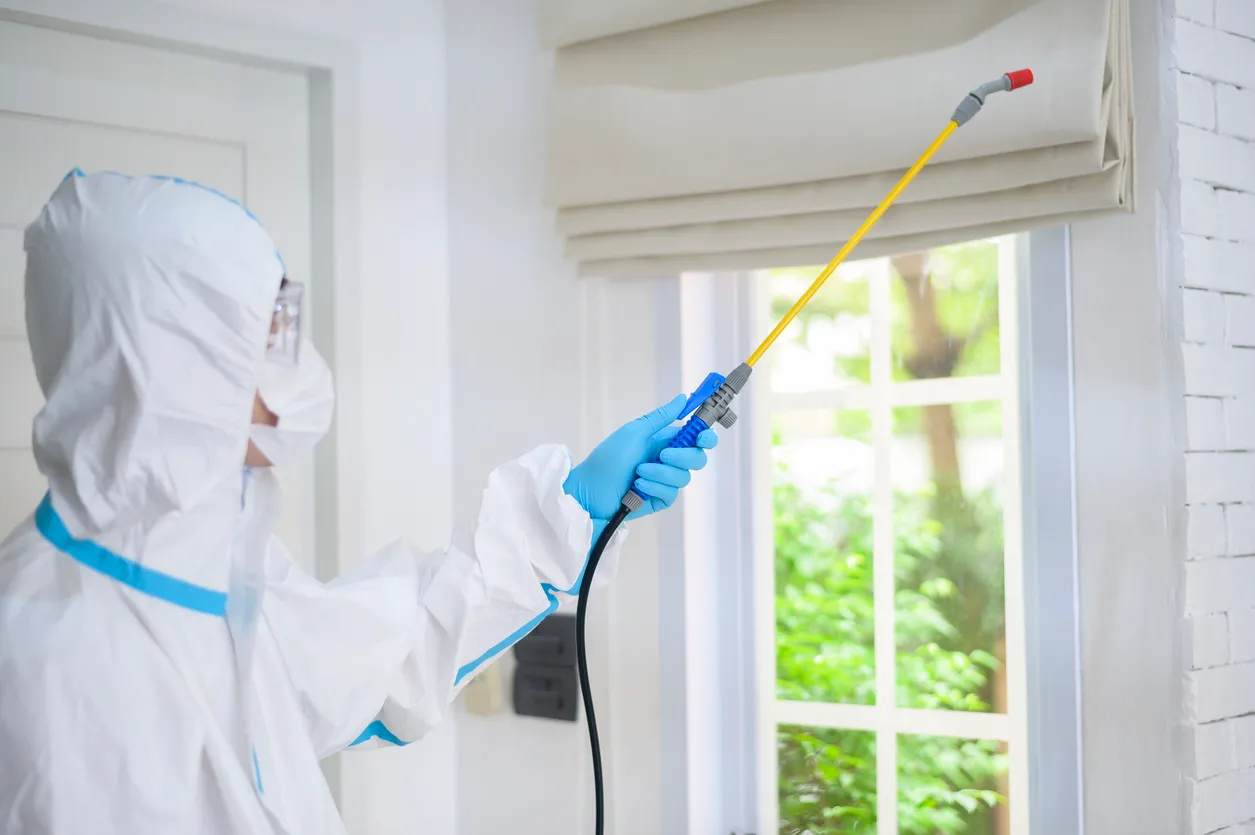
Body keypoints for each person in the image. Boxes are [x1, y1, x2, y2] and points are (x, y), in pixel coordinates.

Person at [0, 171, 717, 834]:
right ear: (162, 367)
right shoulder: (44, 657)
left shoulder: (212, 565)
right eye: (266, 334)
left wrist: (571, 510)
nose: (296, 363)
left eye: (285, 321)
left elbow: (379, 662)